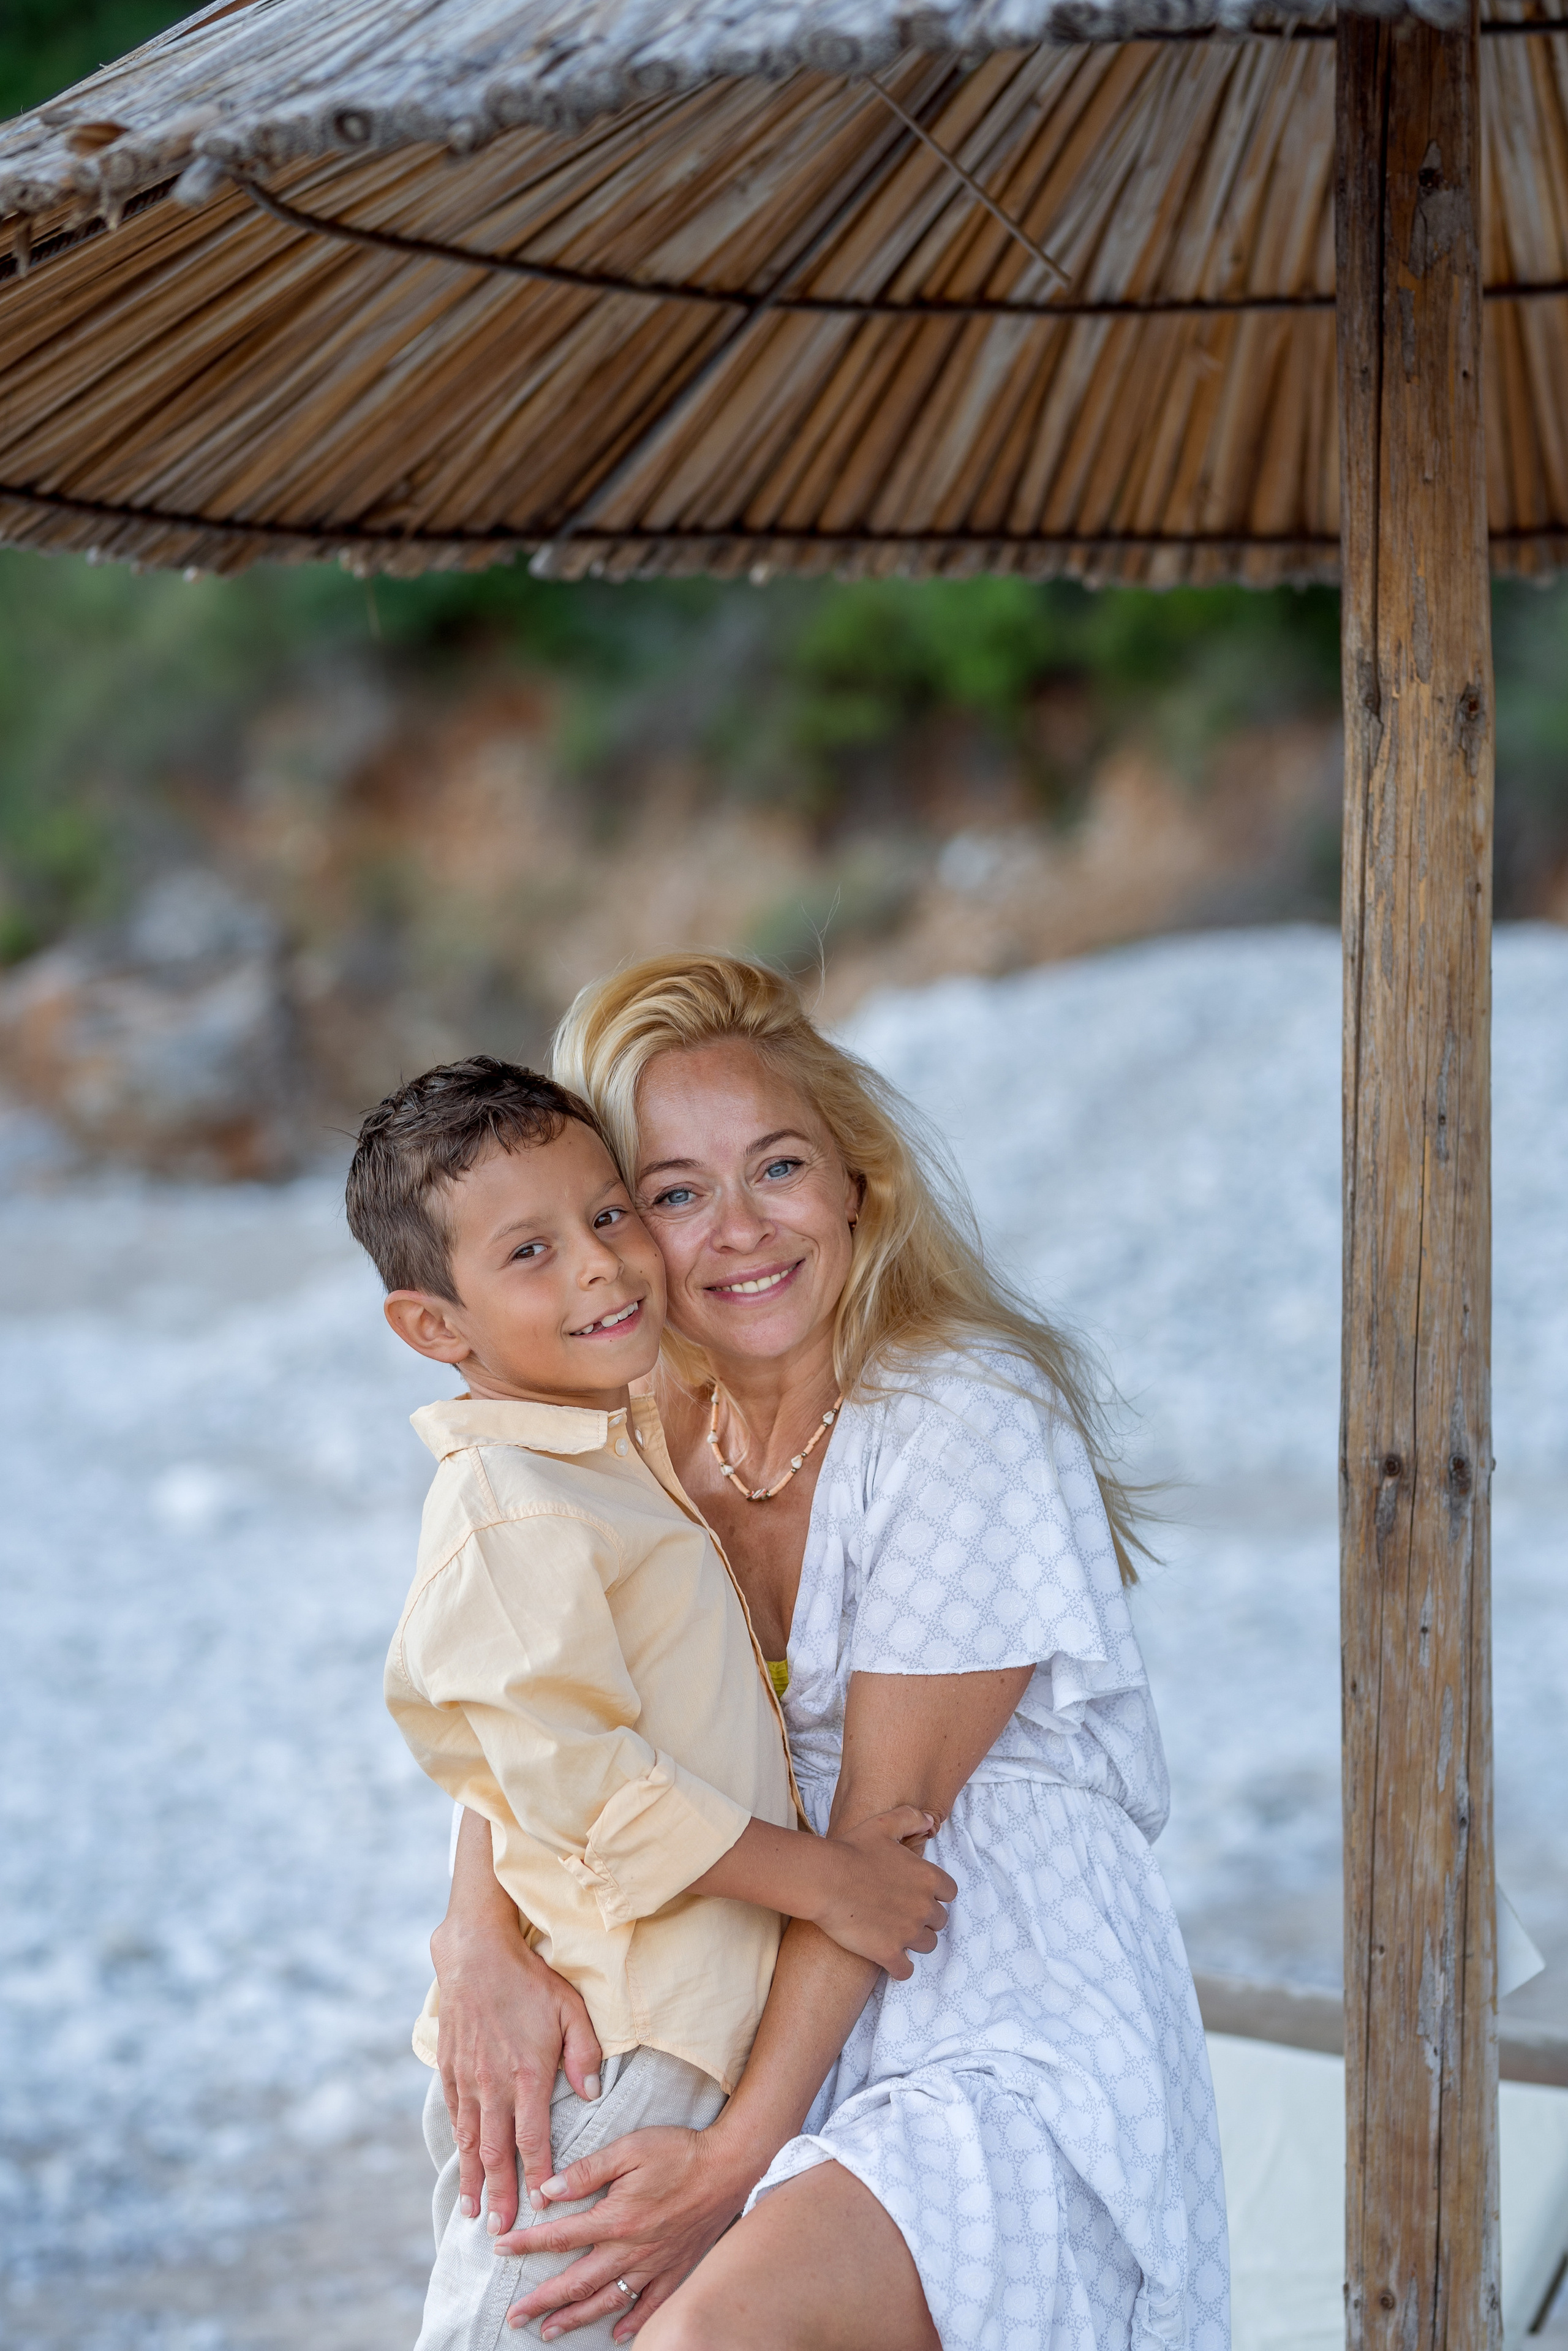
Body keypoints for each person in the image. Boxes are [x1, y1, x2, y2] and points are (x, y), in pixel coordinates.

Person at [432, 959, 1230, 2351]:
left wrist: (730, 2166)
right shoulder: (636, 1433)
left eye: (778, 1166)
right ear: (617, 1232)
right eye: (674, 1192)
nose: (739, 1229)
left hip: (990, 1998)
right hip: (752, 1999)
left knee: (701, 2336)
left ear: (856, 1179)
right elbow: (533, 1699)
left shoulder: (959, 1411)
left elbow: (879, 1844)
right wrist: (475, 1937)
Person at [344, 1057, 956, 2351]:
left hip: (681, 2025)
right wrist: (824, 1879)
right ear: (435, 1326)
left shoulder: (603, 1449)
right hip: (612, 2045)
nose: (602, 1267)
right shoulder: (510, 1502)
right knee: (529, 2325)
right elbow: (580, 1782)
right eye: (531, 1251)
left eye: (611, 1213)